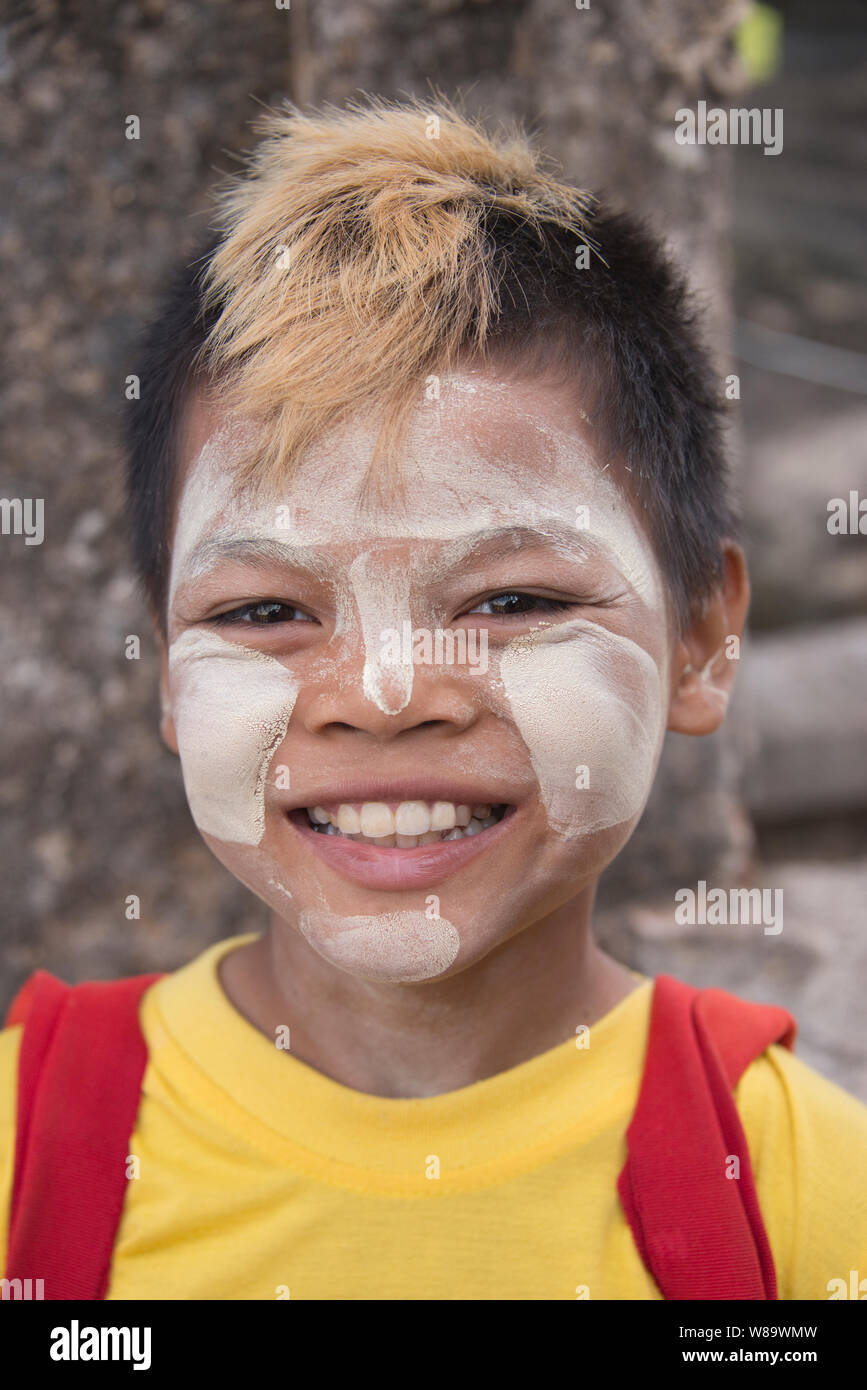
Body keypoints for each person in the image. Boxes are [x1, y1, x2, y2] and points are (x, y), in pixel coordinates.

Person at [2, 96, 865, 1301]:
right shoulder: (22, 1164)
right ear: (166, 666)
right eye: (265, 612)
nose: (384, 696)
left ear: (703, 640)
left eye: (509, 600)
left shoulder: (806, 1200)